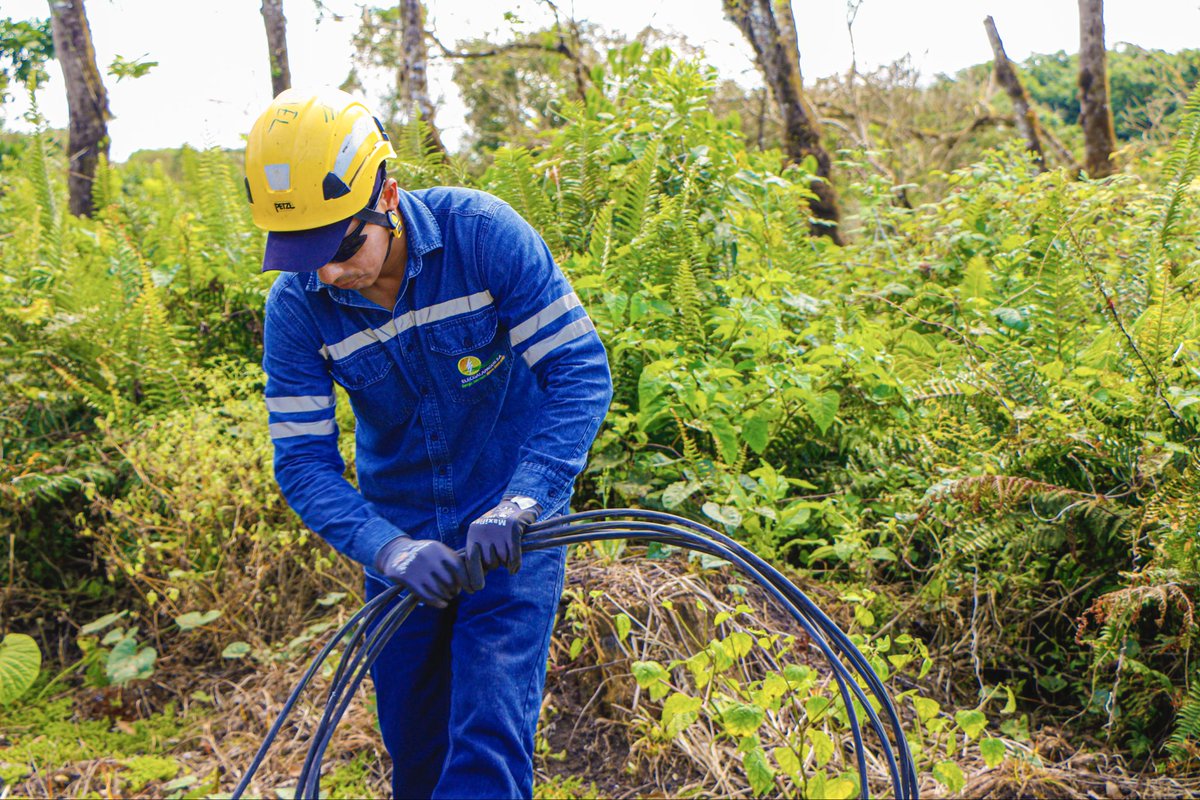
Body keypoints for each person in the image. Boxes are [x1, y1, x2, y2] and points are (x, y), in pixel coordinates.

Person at [244, 88, 613, 799]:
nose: (327, 272)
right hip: (401, 540)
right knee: (416, 753)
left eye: (341, 245)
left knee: (485, 740)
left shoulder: (479, 236)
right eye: (303, 253)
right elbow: (304, 464)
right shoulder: (297, 308)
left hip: (510, 528)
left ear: (386, 192)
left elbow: (578, 372)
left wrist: (524, 500)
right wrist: (392, 551)